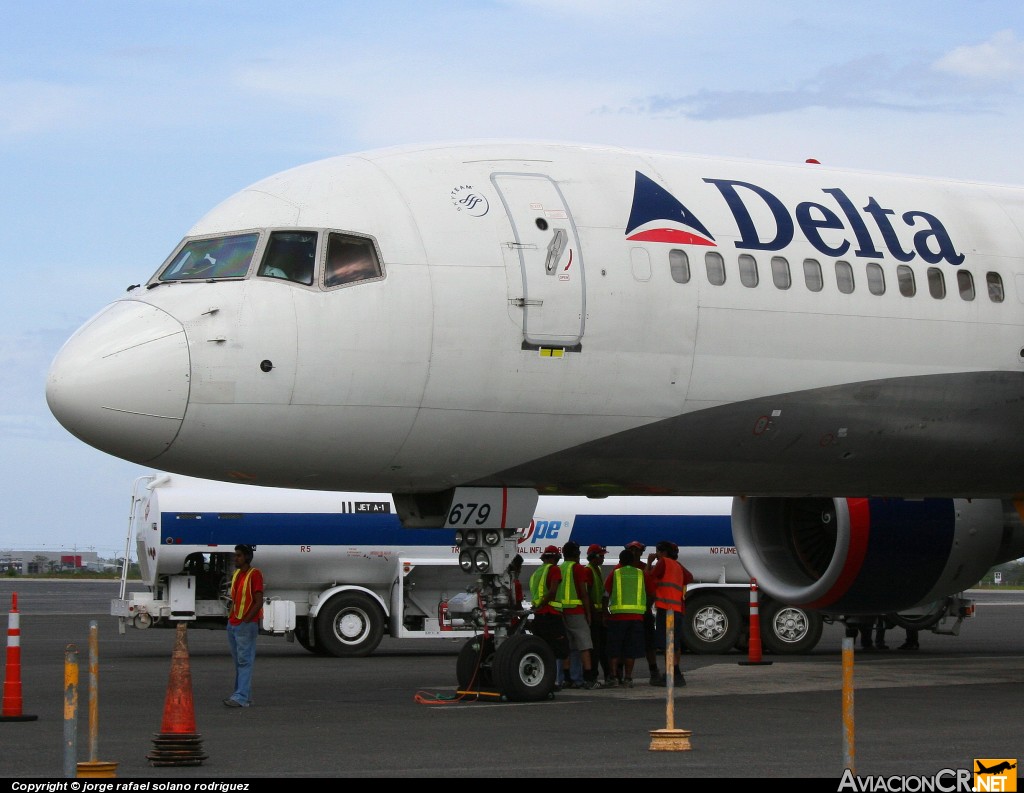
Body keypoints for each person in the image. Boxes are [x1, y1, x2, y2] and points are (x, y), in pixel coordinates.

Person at [647, 540, 693, 686]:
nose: (657, 554)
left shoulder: (663, 562)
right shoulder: (677, 565)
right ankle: (676, 674)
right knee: (675, 643)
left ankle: (672, 674)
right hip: (677, 609)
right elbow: (689, 577)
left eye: (658, 552)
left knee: (667, 644)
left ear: (663, 552)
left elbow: (649, 579)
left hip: (665, 608)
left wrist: (649, 563)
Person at [604, 548, 652, 688]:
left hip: (617, 617)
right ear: (633, 561)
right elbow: (652, 593)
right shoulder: (641, 574)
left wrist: (605, 613)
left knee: (614, 648)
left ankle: (613, 678)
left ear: (620, 561)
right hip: (636, 617)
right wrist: (645, 608)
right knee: (630, 649)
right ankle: (628, 678)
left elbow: (606, 594)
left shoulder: (615, 573)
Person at [558, 541, 602, 689]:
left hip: (561, 611)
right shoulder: (577, 568)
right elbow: (583, 593)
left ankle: (567, 678)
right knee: (584, 646)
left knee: (568, 647)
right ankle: (589, 679)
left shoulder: (559, 568)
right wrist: (588, 613)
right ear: (577, 554)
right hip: (576, 611)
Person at [224, 544, 263, 708]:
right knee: (239, 661)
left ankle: (241, 697)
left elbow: (258, 600)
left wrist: (246, 620)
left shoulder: (255, 574)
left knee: (244, 661)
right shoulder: (237, 574)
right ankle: (242, 694)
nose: (235, 558)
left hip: (244, 624)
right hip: (234, 623)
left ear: (247, 557)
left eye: (239, 555)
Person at [528, 545, 569, 686]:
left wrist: (537, 605)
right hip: (551, 615)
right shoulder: (554, 569)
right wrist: (542, 604)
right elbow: (552, 592)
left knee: (543, 648)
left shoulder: (536, 573)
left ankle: (543, 679)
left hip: (539, 616)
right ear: (554, 558)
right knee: (559, 649)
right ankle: (556, 680)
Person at [625, 540, 663, 684]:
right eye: (632, 550)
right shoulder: (621, 568)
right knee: (628, 644)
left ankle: (654, 671)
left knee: (650, 644)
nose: (635, 553)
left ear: (641, 552)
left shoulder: (645, 568)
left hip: (644, 611)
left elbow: (649, 583)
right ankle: (625, 676)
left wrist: (647, 606)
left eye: (637, 550)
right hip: (628, 612)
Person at [585, 543, 613, 686]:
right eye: (601, 556)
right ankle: (593, 677)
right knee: (595, 648)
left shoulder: (597, 570)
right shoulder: (588, 571)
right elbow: (587, 594)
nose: (602, 558)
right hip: (595, 614)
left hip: (599, 613)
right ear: (593, 557)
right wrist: (593, 613)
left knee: (603, 647)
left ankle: (608, 675)